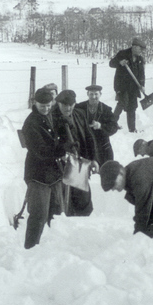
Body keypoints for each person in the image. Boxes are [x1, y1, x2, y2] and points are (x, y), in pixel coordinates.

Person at [21, 88, 67, 249]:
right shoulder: (31, 123)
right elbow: (40, 150)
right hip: (38, 174)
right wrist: (61, 150)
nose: (46, 108)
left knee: (56, 211)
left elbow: (60, 134)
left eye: (48, 105)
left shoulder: (52, 116)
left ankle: (51, 247)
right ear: (35, 103)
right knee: (38, 215)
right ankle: (30, 248)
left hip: (54, 173)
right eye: (42, 106)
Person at [51, 89, 98, 217]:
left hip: (79, 163)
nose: (68, 108)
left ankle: (82, 227)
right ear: (58, 104)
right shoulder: (51, 118)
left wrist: (93, 159)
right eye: (64, 105)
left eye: (71, 105)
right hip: (60, 165)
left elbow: (89, 138)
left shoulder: (79, 114)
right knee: (62, 203)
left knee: (83, 200)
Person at [73, 84, 118, 165]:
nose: (93, 97)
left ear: (100, 94)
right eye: (91, 94)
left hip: (102, 146)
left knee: (105, 169)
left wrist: (101, 126)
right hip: (85, 145)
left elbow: (114, 127)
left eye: (96, 94)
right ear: (87, 94)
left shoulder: (106, 109)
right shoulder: (80, 107)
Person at [109, 37, 146, 132]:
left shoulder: (140, 59)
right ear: (134, 47)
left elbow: (142, 74)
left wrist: (142, 85)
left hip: (134, 87)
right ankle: (111, 125)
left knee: (132, 107)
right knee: (122, 103)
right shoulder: (123, 54)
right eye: (140, 49)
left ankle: (132, 129)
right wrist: (119, 62)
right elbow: (111, 63)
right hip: (122, 85)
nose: (141, 51)